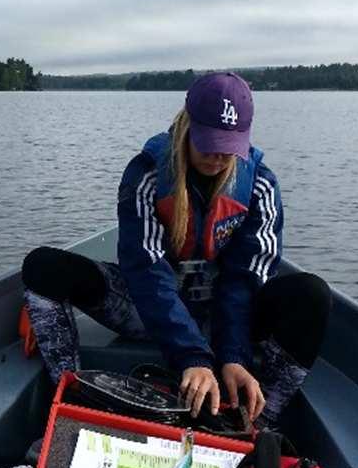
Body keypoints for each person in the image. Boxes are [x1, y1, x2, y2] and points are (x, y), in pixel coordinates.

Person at [21, 71, 331, 430]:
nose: (217, 156)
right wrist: (192, 357)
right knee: (43, 266)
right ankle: (72, 399)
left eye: (228, 147)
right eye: (208, 143)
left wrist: (232, 357)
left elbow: (243, 281)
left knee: (311, 294)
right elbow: (147, 274)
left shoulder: (260, 185)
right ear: (187, 126)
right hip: (151, 311)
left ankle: (263, 421)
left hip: (227, 317)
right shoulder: (147, 176)